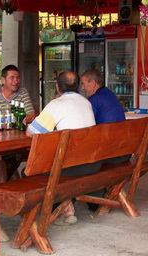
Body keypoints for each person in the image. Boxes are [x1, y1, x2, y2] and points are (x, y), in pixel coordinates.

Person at [27, 71, 96, 225]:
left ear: (57, 87)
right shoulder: (86, 102)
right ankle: (67, 207)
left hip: (71, 167)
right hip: (92, 163)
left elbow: (31, 132)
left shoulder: (56, 104)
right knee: (58, 162)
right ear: (78, 86)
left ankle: (62, 207)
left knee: (32, 171)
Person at [80, 69, 130, 211]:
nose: (82, 88)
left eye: (84, 84)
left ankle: (95, 200)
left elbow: (86, 127)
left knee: (80, 162)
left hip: (110, 154)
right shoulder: (109, 94)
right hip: (124, 151)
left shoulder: (94, 100)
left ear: (93, 83)